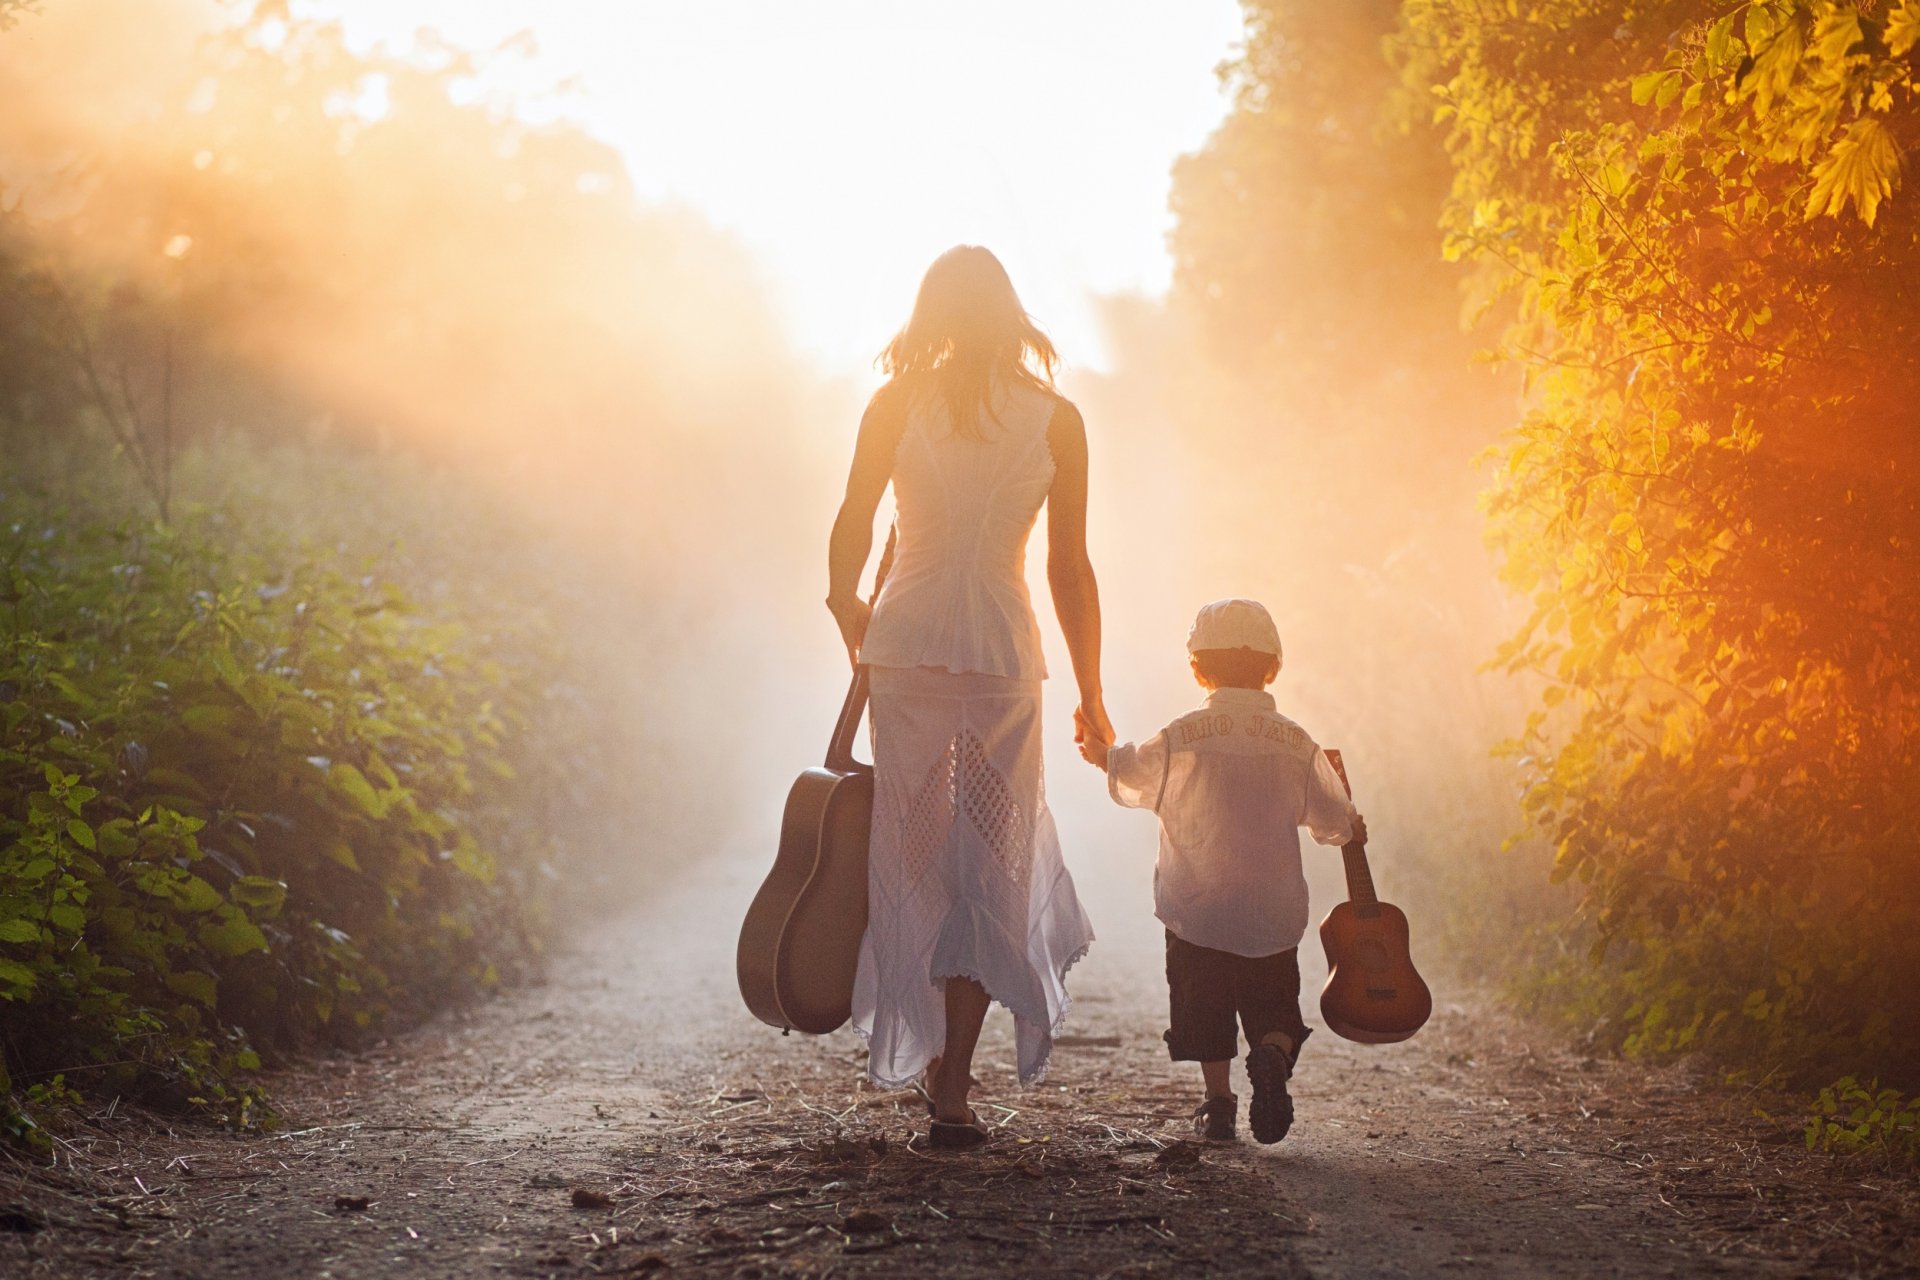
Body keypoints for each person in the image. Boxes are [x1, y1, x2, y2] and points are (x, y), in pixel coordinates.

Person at [826, 245, 1105, 1150]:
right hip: (1000, 660)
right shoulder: (1057, 421)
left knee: (909, 861)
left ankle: (929, 1054)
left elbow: (850, 529)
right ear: (1010, 313)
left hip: (903, 658)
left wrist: (858, 628)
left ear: (930, 313)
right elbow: (1069, 568)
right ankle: (953, 1087)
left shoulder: (893, 405)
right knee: (993, 863)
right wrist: (1092, 691)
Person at [1074, 598, 1365, 1144]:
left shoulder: (1183, 735)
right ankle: (1273, 1056)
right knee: (1273, 1002)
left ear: (1197, 667)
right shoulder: (1298, 742)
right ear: (1272, 668)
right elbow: (1333, 820)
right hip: (1270, 912)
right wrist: (1351, 827)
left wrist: (1100, 752)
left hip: (1197, 908)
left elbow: (1132, 773)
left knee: (1202, 1009)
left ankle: (1220, 1103)